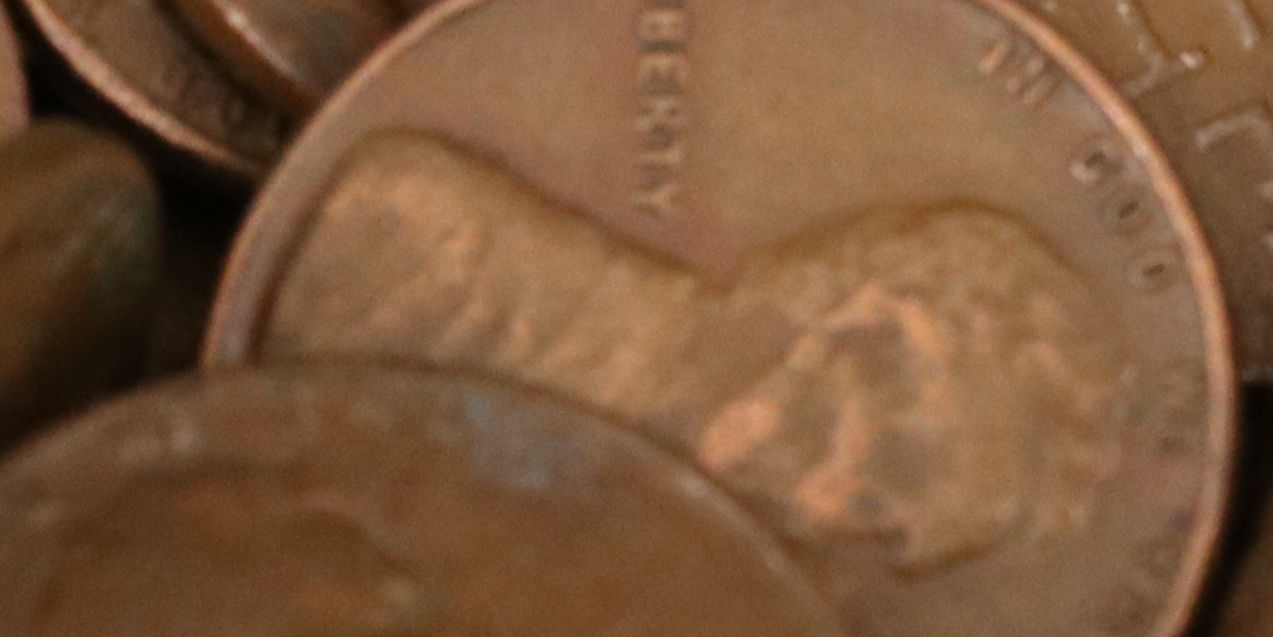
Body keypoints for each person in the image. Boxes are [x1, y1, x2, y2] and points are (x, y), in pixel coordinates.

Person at [264, 128, 1132, 578]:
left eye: (877, 510)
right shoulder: (419, 232)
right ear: (838, 291)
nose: (821, 497)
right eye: (894, 430)